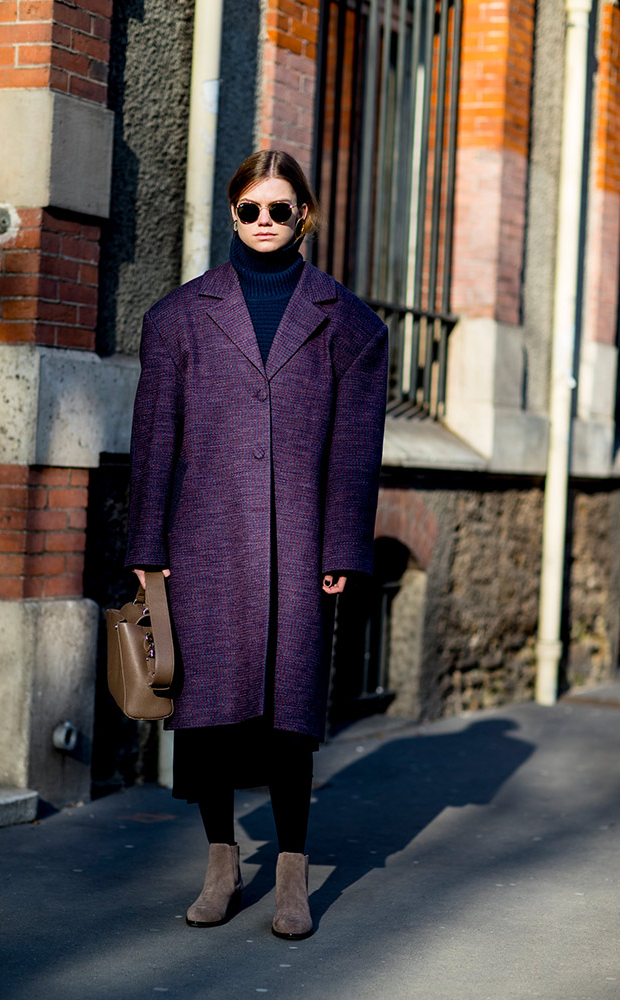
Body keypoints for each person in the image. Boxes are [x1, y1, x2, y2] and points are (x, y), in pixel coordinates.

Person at [125, 150, 388, 939]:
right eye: (250, 210)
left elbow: (354, 447)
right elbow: (153, 441)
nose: (265, 222)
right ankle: (217, 865)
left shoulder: (350, 322)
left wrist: (342, 547)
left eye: (280, 209)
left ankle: (290, 875)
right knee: (204, 717)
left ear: (304, 214)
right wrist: (146, 541)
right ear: (231, 214)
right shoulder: (176, 317)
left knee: (288, 716)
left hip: (300, 545)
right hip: (200, 540)